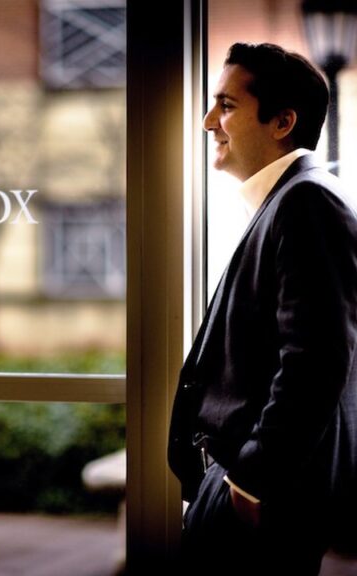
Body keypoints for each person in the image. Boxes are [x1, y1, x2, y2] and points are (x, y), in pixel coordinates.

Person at [168, 42, 357, 575]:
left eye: (226, 105)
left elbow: (316, 360)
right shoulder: (291, 201)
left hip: (260, 498)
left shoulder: (307, 202)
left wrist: (248, 482)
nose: (209, 122)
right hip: (247, 488)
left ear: (282, 122)